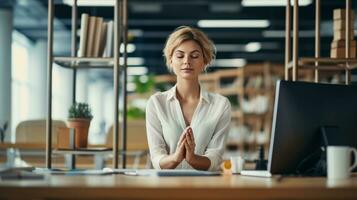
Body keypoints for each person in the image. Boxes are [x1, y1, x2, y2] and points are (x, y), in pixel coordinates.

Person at [145, 26, 231, 171]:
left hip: (204, 189)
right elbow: (157, 159)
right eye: (180, 55)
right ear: (171, 60)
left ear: (205, 61)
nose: (187, 61)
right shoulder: (156, 103)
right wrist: (176, 158)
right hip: (167, 189)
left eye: (194, 55)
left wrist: (193, 159)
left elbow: (215, 159)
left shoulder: (221, 105)